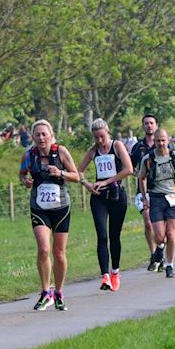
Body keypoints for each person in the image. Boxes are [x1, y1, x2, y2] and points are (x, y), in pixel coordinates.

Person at [19, 119, 77, 310]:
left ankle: (58, 292)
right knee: (44, 249)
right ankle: (45, 292)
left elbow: (76, 176)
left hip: (61, 208)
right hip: (39, 207)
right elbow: (21, 174)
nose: (41, 138)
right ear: (33, 137)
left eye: (44, 134)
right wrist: (25, 181)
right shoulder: (28, 155)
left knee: (59, 252)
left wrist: (60, 173)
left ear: (51, 135)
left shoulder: (61, 152)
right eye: (37, 134)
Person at [77, 118, 132, 291]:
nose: (100, 141)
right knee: (102, 235)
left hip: (117, 195)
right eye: (96, 138)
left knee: (114, 236)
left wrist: (108, 181)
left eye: (102, 137)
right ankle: (105, 276)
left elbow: (128, 169)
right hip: (99, 196)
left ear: (108, 132)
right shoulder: (93, 151)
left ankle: (115, 271)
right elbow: (78, 171)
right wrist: (87, 185)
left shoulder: (117, 146)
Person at [137, 130, 175, 278]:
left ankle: (170, 266)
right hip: (156, 199)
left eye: (163, 140)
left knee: (171, 233)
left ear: (168, 140)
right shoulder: (148, 159)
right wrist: (144, 197)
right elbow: (141, 177)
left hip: (174, 198)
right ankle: (160, 248)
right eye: (158, 141)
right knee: (160, 236)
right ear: (154, 142)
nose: (161, 144)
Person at [127, 113, 163, 271]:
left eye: (151, 123)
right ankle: (153, 254)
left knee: (160, 226)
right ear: (143, 126)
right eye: (146, 123)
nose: (149, 125)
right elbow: (129, 166)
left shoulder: (162, 144)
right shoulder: (138, 147)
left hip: (161, 190)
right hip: (143, 191)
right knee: (148, 222)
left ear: (156, 125)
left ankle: (161, 252)